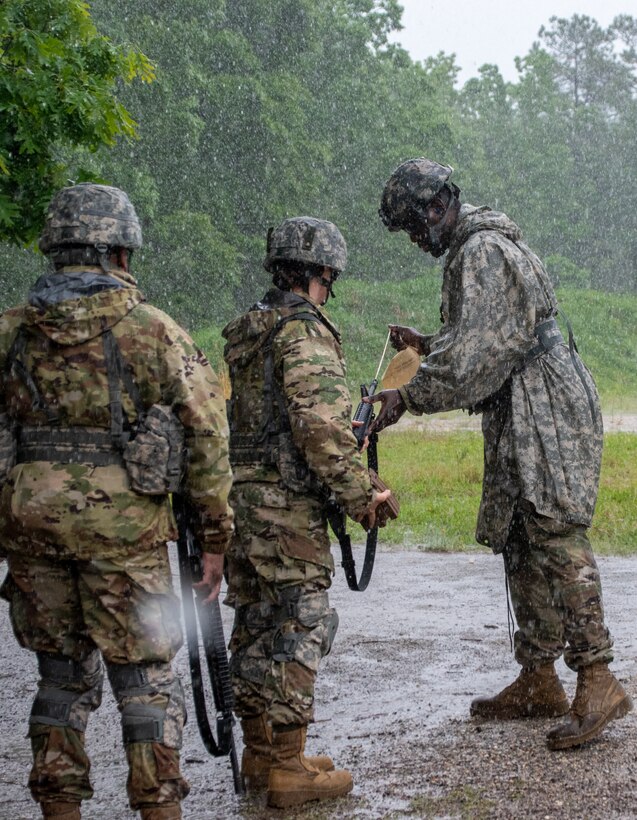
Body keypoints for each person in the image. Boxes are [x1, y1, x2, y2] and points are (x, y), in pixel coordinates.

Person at [369, 158, 632, 750]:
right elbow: (483, 339)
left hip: (543, 401)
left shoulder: (480, 252)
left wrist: (406, 395)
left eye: (415, 226)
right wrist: (427, 345)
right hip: (520, 397)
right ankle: (540, 678)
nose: (416, 240)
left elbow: (473, 363)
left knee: (553, 528)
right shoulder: (478, 248)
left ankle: (598, 677)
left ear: (437, 207)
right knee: (518, 531)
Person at [0, 183, 234, 820]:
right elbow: (208, 434)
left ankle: (59, 809)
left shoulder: (13, 332)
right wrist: (214, 540)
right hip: (125, 535)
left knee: (59, 680)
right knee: (145, 682)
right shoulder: (152, 331)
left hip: (31, 529)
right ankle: (157, 808)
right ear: (121, 253)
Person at [222, 216, 391, 808]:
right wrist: (362, 492)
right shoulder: (303, 332)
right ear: (320, 272)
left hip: (245, 499)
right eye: (329, 278)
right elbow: (318, 427)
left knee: (256, 623)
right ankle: (290, 767)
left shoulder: (253, 330)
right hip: (289, 506)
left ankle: (261, 753)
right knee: (304, 620)